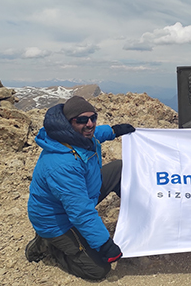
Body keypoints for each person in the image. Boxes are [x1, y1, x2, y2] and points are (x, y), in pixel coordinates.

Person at [25, 95, 136, 280]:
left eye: (93, 118)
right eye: (82, 120)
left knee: (118, 168)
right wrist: (105, 245)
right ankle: (49, 246)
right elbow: (80, 212)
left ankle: (137, 215)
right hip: (57, 221)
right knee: (98, 270)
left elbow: (95, 133)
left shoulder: (76, 136)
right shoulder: (62, 164)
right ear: (69, 123)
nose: (90, 124)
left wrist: (114, 131)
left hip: (80, 196)